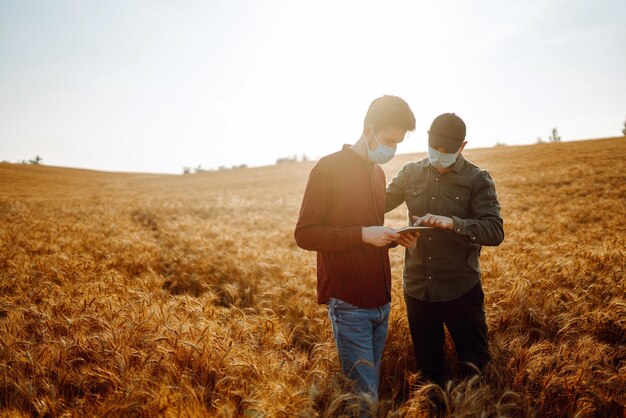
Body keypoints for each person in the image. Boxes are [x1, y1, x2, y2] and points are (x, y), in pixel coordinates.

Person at [294, 95, 417, 415]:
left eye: (398, 143)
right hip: (348, 302)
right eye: (389, 140)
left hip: (381, 300)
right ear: (368, 129)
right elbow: (305, 234)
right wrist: (362, 234)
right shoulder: (328, 168)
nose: (392, 149)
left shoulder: (377, 173)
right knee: (364, 399)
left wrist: (392, 237)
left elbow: (369, 232)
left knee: (368, 390)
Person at [385, 113, 504, 386]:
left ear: (462, 147)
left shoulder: (477, 179)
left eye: (447, 151)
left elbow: (495, 231)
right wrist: (394, 236)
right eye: (434, 147)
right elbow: (374, 206)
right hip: (417, 290)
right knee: (429, 376)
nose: (439, 155)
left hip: (460, 289)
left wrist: (453, 223)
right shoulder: (409, 173)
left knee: (475, 370)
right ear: (427, 138)